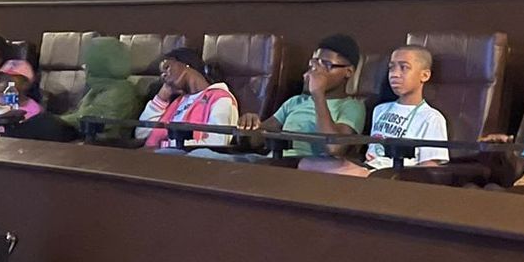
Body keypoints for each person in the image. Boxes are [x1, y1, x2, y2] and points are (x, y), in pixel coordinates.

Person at [302, 45, 448, 176]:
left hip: (396, 173)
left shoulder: (432, 118)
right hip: (368, 168)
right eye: (391, 67)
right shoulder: (380, 109)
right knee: (306, 163)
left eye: (404, 67)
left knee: (348, 172)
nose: (395, 74)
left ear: (425, 75)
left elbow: (430, 166)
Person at [228, 34, 367, 162]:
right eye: (314, 63)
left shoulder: (352, 106)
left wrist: (318, 94)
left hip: (304, 169)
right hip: (271, 161)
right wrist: (250, 126)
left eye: (326, 65)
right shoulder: (296, 102)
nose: (316, 70)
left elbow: (334, 148)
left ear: (348, 72)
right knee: (208, 158)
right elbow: (258, 140)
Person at [139, 47, 239, 150]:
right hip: (157, 157)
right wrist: (162, 97)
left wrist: (164, 145)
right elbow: (141, 134)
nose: (163, 76)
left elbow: (217, 143)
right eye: (161, 74)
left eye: (167, 67)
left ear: (187, 65)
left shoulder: (220, 98)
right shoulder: (177, 102)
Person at [59, 37, 140, 132]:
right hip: (83, 136)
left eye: (88, 64)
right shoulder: (100, 87)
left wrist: (53, 121)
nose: (84, 68)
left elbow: (88, 119)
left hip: (104, 143)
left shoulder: (121, 92)